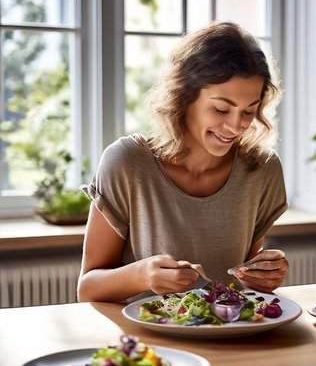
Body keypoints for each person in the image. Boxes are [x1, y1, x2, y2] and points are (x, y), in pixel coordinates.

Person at [77, 22, 289, 302]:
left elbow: (247, 282)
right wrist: (142, 275)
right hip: (147, 341)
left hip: (230, 337)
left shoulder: (262, 169)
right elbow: (87, 289)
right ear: (184, 96)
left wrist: (266, 273)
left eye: (249, 111)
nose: (235, 126)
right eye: (221, 108)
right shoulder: (127, 162)